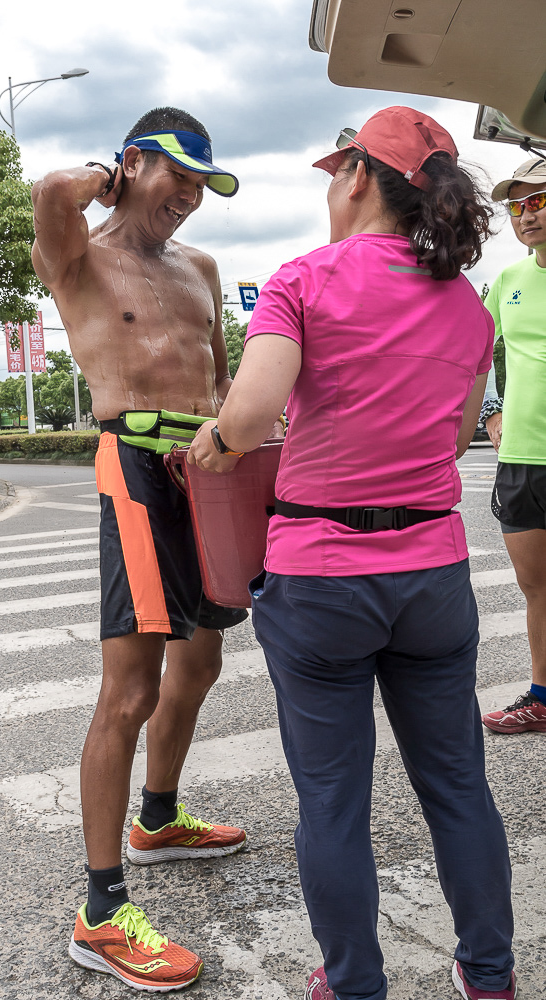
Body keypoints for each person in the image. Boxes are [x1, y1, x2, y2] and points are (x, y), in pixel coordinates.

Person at [188, 107, 516, 1000]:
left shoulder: (304, 279)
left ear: (358, 176)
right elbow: (453, 435)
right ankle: (488, 975)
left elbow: (250, 416)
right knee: (458, 785)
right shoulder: (465, 306)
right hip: (432, 574)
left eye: (335, 174)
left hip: (322, 578)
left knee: (332, 800)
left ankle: (353, 982)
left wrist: (212, 444)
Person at [31, 107, 248, 992]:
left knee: (202, 660)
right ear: (129, 164)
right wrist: (102, 180)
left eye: (202, 185)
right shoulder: (76, 257)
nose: (189, 197)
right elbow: (52, 192)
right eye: (176, 176)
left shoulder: (201, 268)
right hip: (135, 469)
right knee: (131, 690)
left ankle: (157, 818)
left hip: (209, 471)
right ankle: (101, 911)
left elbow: (221, 373)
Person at [477, 157, 546, 735]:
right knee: (536, 586)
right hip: (522, 458)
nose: (527, 215)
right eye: (518, 205)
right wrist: (491, 410)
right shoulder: (508, 281)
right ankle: (542, 695)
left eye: (539, 200)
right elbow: (474, 352)